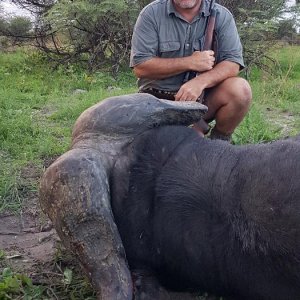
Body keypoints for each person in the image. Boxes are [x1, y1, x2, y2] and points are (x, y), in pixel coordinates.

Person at [130, 0, 252, 141]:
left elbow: (232, 63)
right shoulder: (150, 13)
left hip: (202, 100)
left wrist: (200, 82)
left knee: (240, 90)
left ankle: (219, 143)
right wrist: (189, 62)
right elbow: (141, 66)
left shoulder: (222, 15)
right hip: (157, 101)